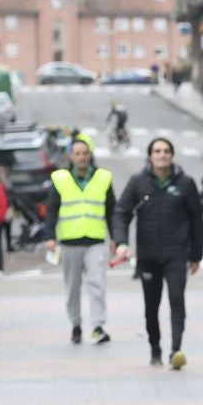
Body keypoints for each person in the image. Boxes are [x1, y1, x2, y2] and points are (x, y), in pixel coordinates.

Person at [114, 136, 203, 367]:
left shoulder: (185, 183)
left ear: (172, 155)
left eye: (166, 151)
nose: (162, 154)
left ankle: (176, 349)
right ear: (150, 156)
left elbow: (197, 220)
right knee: (151, 305)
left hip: (177, 253)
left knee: (177, 299)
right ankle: (155, 347)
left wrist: (196, 255)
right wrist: (121, 242)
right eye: (157, 151)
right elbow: (121, 213)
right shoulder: (138, 182)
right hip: (148, 254)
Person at [45, 135, 117, 343]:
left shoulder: (103, 177)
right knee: (72, 288)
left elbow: (112, 210)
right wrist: (50, 236)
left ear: (90, 155)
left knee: (97, 284)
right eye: (77, 154)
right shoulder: (60, 179)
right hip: (69, 241)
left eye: (85, 153)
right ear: (71, 156)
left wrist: (115, 237)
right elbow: (51, 210)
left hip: (95, 240)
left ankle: (97, 326)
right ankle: (76, 325)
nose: (81, 157)